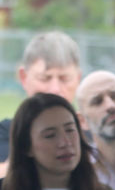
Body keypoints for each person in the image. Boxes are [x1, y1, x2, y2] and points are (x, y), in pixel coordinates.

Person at [0, 30, 82, 179]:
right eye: (45, 78)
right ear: (23, 77)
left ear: (78, 78)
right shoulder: (4, 134)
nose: (55, 89)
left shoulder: (93, 138)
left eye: (64, 79)